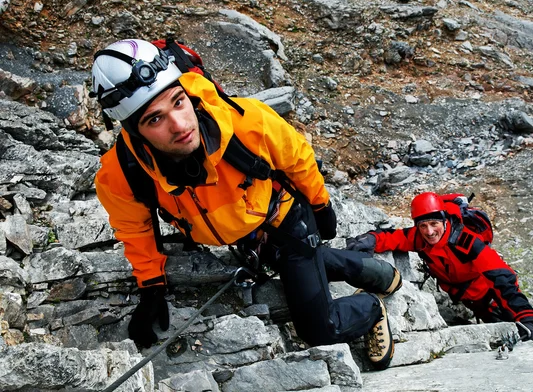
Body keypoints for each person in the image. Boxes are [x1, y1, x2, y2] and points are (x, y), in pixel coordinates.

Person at [90, 39, 402, 369]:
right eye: (155, 119)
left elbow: (298, 159)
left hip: (285, 222)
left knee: (319, 330)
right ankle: (373, 270)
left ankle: (370, 307)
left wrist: (321, 206)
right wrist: (151, 287)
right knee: (290, 263)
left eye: (179, 102)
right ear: (133, 132)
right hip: (245, 236)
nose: (180, 125)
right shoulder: (121, 174)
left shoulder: (245, 121)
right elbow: (134, 229)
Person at [346, 191, 533, 341]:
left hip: (492, 300)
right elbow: (395, 237)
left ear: (444, 220)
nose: (429, 232)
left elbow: (502, 277)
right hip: (469, 300)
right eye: (423, 225)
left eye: (434, 224)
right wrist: (371, 239)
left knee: (521, 334)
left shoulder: (467, 242)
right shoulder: (419, 237)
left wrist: (526, 318)